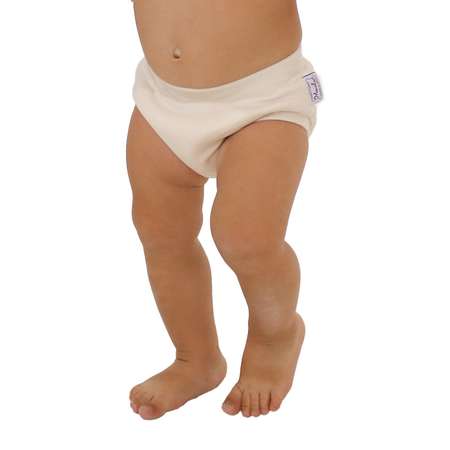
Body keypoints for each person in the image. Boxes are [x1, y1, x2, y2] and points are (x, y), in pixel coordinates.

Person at [126, 0, 323, 419]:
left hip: (263, 101)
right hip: (164, 101)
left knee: (246, 240)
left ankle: (276, 335)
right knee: (161, 235)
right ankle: (195, 358)